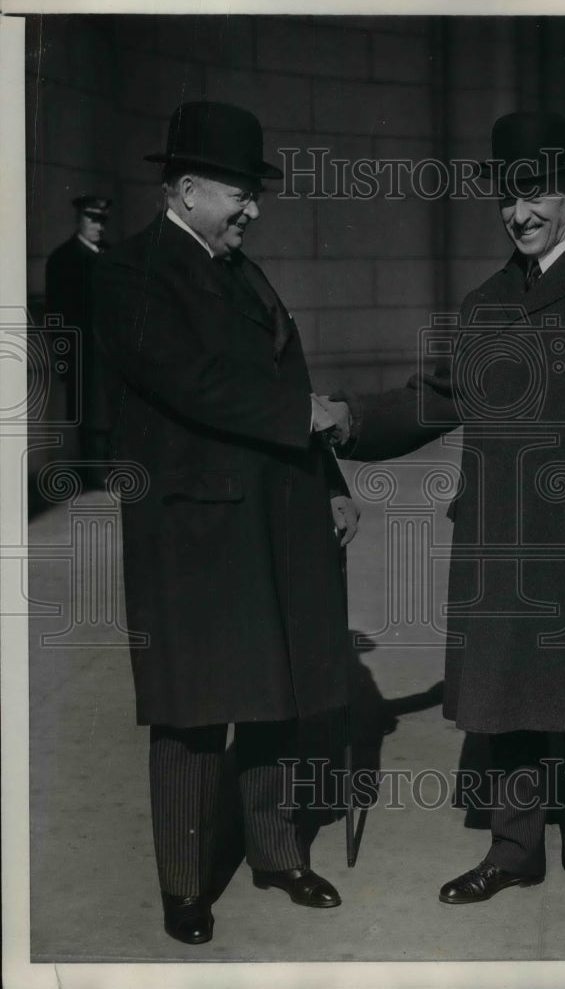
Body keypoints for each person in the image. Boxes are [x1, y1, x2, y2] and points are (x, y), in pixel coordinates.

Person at [328, 111, 565, 922]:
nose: (518, 213)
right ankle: (512, 853)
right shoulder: (488, 299)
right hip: (499, 540)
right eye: (506, 197)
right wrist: (348, 419)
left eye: (534, 193)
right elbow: (440, 397)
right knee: (511, 707)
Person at [92, 101, 357, 946]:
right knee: (193, 710)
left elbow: (292, 375)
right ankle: (184, 885)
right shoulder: (133, 272)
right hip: (194, 533)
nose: (254, 208)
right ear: (189, 188)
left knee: (274, 695)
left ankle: (275, 855)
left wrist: (330, 482)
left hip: (275, 518)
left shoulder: (241, 269)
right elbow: (190, 380)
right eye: (242, 192)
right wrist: (304, 418)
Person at [45, 194, 114, 487]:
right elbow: (56, 316)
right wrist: (64, 359)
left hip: (110, 352)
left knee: (110, 410)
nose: (98, 226)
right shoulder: (63, 259)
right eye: (92, 219)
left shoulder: (111, 256)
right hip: (82, 354)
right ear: (79, 219)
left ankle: (109, 471)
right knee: (88, 414)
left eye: (102, 220)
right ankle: (94, 476)